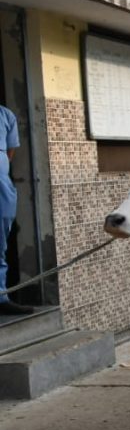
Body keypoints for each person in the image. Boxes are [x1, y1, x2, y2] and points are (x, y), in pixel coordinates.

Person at [0, 104, 32, 315]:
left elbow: (10, 151)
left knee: (0, 240)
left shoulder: (5, 114)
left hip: (1, 184)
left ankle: (1, 297)